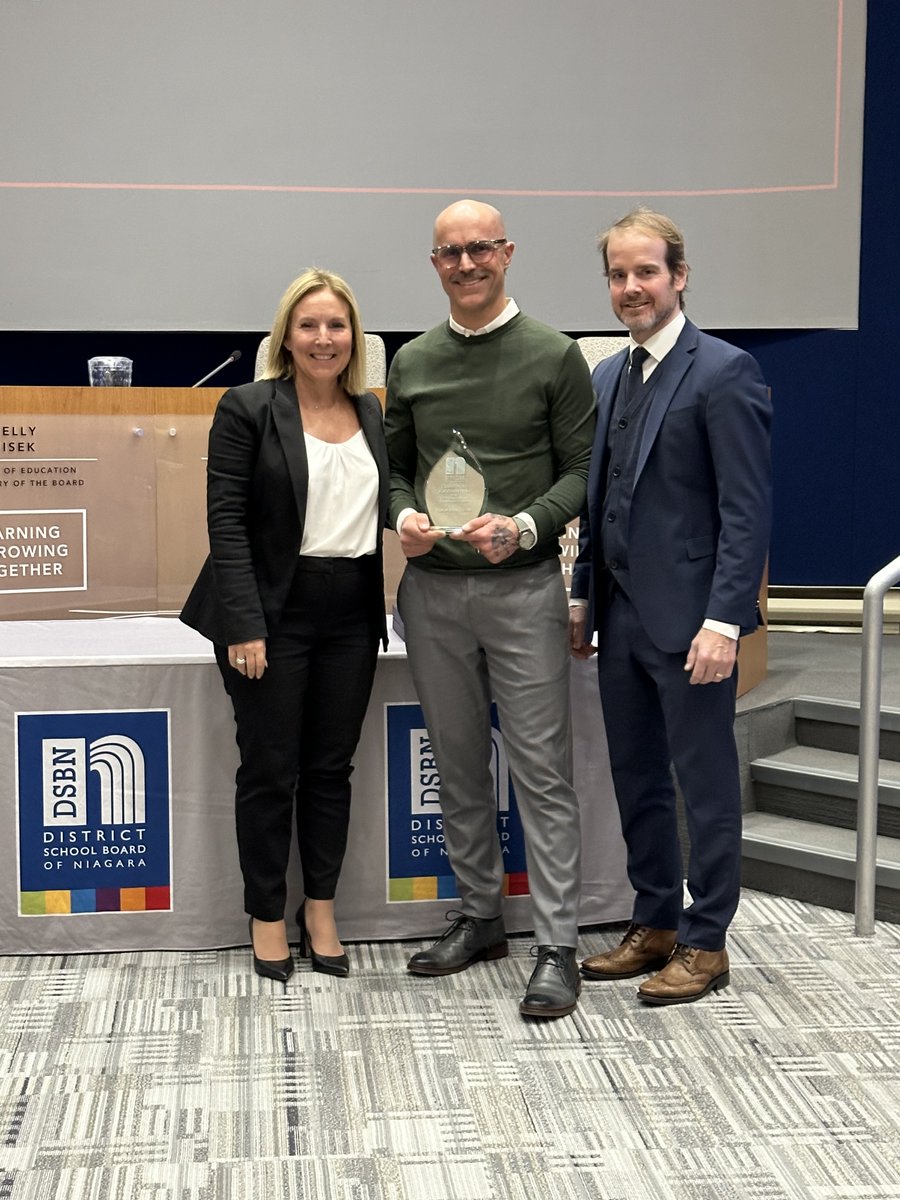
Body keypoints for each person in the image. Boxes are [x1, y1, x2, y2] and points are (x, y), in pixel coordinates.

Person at [384, 199, 596, 1019]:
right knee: (459, 761)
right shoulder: (413, 360)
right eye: (449, 253)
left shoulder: (555, 355)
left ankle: (557, 944)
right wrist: (402, 516)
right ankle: (480, 917)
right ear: (433, 263)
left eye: (480, 249)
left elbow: (581, 470)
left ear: (507, 253)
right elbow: (394, 467)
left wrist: (528, 524)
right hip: (432, 591)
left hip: (523, 589)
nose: (466, 264)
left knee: (541, 772)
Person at [570, 208, 772, 1005]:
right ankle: (652, 921)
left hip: (694, 627)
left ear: (679, 276)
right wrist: (584, 597)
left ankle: (706, 940)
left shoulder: (725, 371)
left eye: (645, 272)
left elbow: (746, 511)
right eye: (618, 275)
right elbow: (599, 501)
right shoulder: (606, 376)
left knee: (707, 782)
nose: (631, 288)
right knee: (637, 780)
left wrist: (725, 621)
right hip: (620, 620)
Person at [181, 268, 388, 982]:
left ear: (354, 336)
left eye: (337, 325)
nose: (324, 338)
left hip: (352, 611)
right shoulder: (247, 407)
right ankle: (267, 914)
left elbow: (375, 509)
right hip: (270, 612)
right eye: (309, 325)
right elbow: (227, 523)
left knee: (331, 771)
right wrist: (243, 624)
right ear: (286, 336)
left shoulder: (371, 413)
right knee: (270, 773)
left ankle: (320, 909)